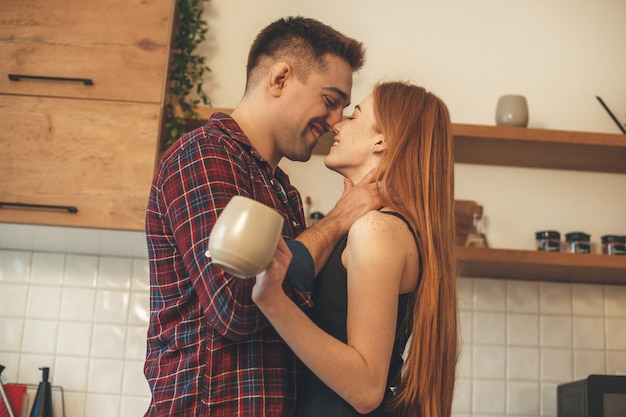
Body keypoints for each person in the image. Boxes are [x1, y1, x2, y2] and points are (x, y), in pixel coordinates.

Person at [144, 16, 379, 417]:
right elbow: (235, 306)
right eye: (330, 100)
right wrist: (339, 219)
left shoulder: (282, 191)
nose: (336, 121)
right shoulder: (202, 156)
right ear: (280, 78)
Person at [252, 81, 459, 417]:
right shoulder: (375, 226)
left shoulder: (375, 229)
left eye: (354, 115)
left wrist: (272, 300)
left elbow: (366, 389)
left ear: (382, 140)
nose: (337, 124)